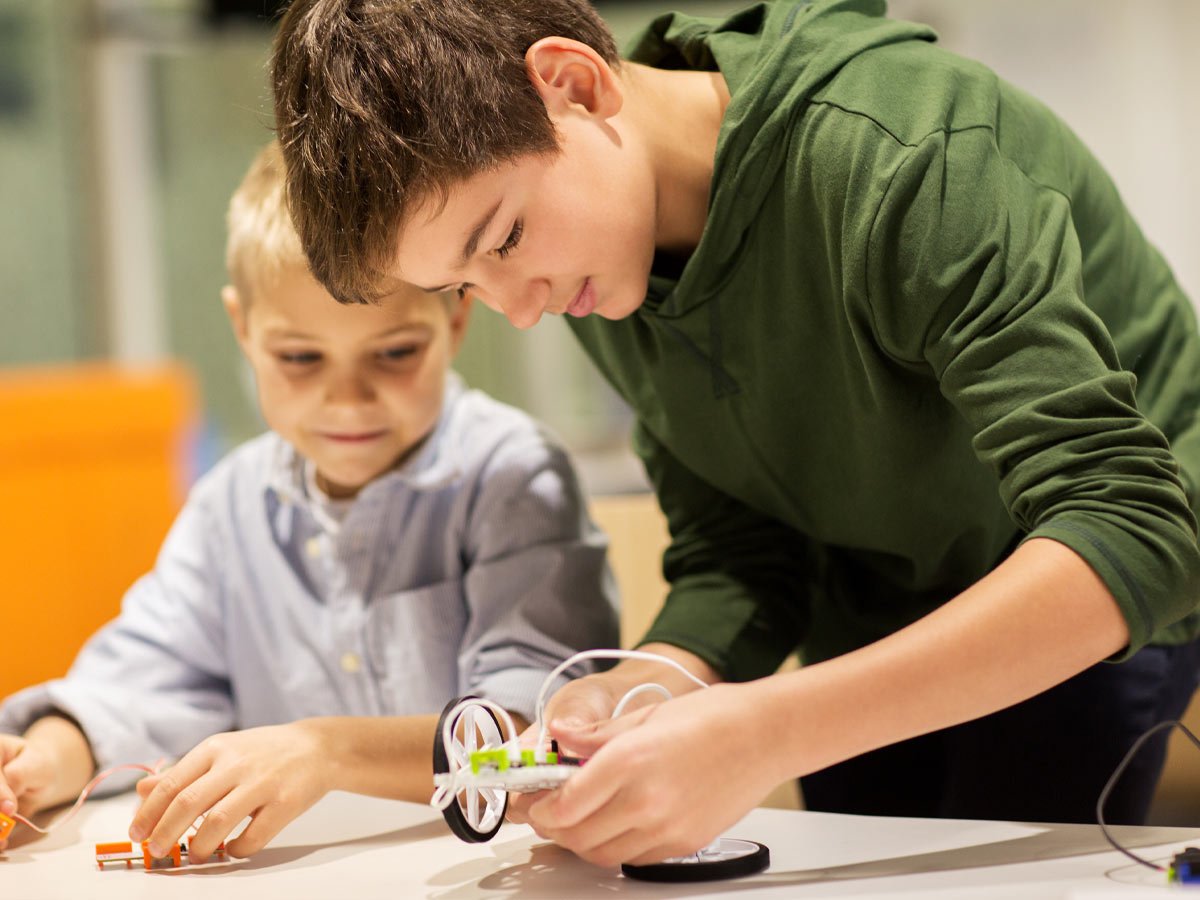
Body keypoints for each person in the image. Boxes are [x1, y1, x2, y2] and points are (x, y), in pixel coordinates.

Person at [270, 0, 1200, 867]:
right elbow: (742, 554)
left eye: (504, 237)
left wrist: (769, 729)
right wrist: (644, 688)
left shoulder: (904, 153)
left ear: (578, 86)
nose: (516, 309)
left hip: (1085, 602)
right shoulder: (598, 256)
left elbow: (1132, 527)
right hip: (869, 612)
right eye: (464, 285)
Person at [0, 141, 618, 859]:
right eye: (300, 358)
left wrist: (327, 751)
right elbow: (142, 685)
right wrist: (40, 761)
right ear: (244, 329)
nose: (348, 398)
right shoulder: (229, 504)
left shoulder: (513, 478)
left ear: (455, 320)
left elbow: (532, 736)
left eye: (393, 354)